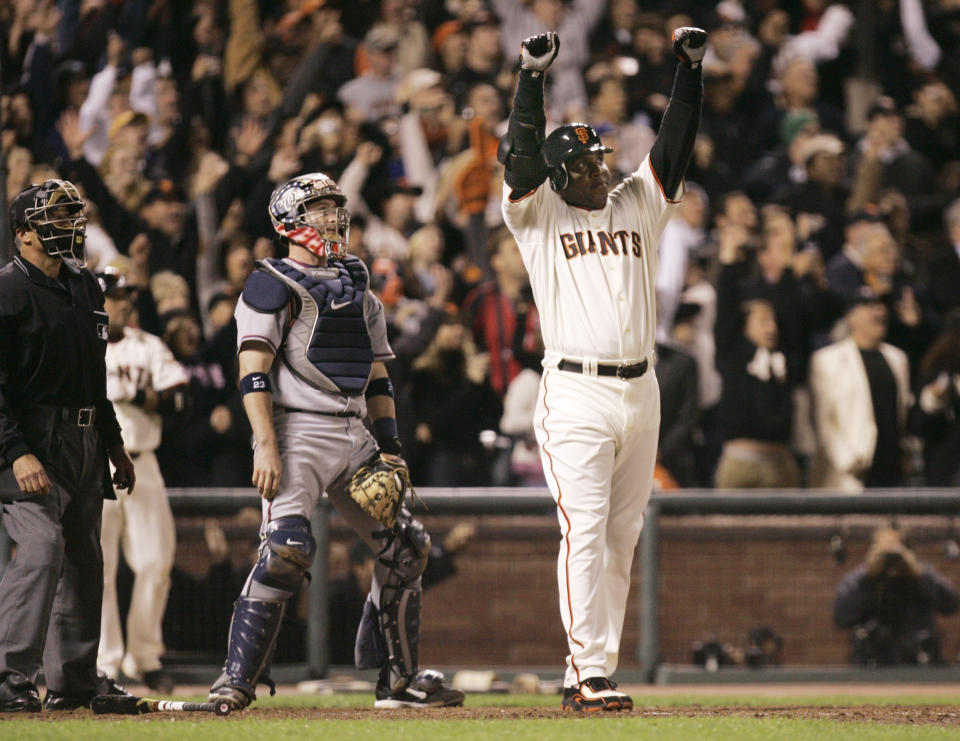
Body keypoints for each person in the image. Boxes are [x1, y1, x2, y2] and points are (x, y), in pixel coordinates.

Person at [498, 28, 705, 712]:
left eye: (602, 158)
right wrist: (531, 78)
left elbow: (672, 150)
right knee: (583, 527)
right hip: (578, 390)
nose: (603, 170)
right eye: (588, 162)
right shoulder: (538, 213)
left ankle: (589, 666)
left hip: (639, 388)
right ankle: (589, 669)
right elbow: (521, 152)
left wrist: (688, 72)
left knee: (622, 535)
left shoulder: (635, 206)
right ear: (560, 175)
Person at [207, 172, 464, 711]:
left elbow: (376, 376)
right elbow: (251, 371)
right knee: (285, 552)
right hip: (295, 430)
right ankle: (233, 680)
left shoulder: (357, 282)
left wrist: (390, 446)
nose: (332, 218)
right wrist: (264, 443)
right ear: (289, 221)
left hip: (354, 432)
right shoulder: (270, 281)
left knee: (409, 549)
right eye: (320, 209)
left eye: (334, 208)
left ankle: (398, 682)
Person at [0, 180, 136, 712]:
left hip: (82, 438)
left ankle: (72, 681)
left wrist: (114, 444)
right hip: (28, 436)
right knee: (41, 549)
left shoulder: (85, 286)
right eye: (55, 217)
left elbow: (93, 377)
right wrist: (15, 450)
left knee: (84, 556)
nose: (69, 225)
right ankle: (9, 677)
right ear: (23, 234)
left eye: (71, 214)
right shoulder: (7, 291)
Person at [96, 267, 190, 694]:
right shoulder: (83, 344)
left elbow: (178, 398)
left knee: (155, 563)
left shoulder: (148, 346)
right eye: (115, 296)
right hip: (95, 463)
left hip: (143, 460)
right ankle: (105, 664)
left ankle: (146, 657)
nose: (123, 302)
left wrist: (136, 395)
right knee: (99, 569)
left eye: (127, 295)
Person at [809, 291, 911, 491]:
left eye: (881, 306)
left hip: (891, 468)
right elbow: (823, 420)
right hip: (853, 469)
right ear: (851, 317)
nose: (879, 312)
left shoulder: (897, 359)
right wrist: (847, 460)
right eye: (869, 306)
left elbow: (900, 413)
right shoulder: (827, 360)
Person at [834, 527, 959, 666]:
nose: (891, 559)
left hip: (919, 663)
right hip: (872, 663)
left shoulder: (921, 574)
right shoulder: (862, 578)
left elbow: (951, 604)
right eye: (884, 552)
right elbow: (841, 616)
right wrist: (869, 576)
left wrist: (916, 571)